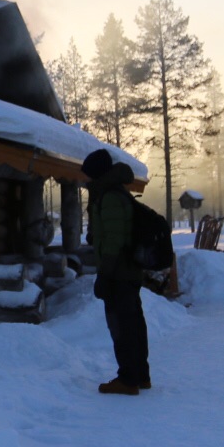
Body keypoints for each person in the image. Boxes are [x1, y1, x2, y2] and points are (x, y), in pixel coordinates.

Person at [82, 148, 152, 395]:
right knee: (133, 323)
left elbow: (114, 240)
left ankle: (128, 379)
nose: (86, 181)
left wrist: (105, 274)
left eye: (88, 176)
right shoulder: (115, 194)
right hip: (127, 271)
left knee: (121, 325)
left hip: (119, 273)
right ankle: (140, 375)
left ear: (97, 174)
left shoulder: (110, 197)